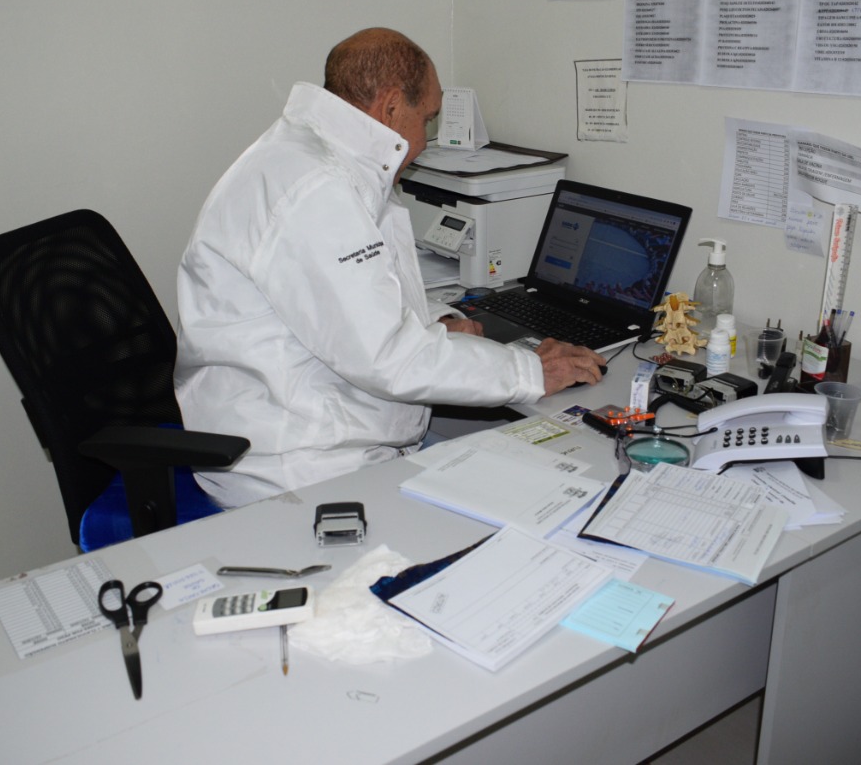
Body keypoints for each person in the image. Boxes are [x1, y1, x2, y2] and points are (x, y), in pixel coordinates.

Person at [174, 28, 605, 507]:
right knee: (541, 500)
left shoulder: (312, 154)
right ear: (392, 106)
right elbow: (386, 359)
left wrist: (435, 319)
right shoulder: (319, 190)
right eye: (428, 118)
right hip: (300, 468)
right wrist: (531, 371)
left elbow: (354, 294)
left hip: (319, 426)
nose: (425, 138)